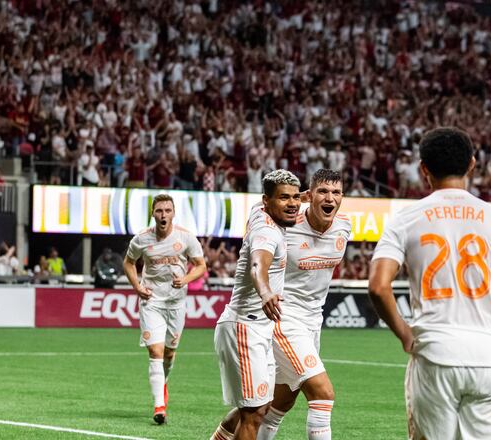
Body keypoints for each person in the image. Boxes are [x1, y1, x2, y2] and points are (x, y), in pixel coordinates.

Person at [367, 127, 491, 440]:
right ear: (472, 163)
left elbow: (378, 286)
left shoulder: (406, 218)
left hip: (435, 353)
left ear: (424, 169)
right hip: (490, 357)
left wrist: (404, 333)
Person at [212, 169, 351, 440]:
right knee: (322, 394)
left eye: (336, 193)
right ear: (309, 195)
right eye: (322, 191)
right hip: (282, 318)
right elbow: (259, 249)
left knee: (275, 403)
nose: (330, 198)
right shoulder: (282, 223)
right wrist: (265, 292)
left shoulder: (344, 226)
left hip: (312, 323)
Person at [211, 170, 301, 440]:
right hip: (244, 327)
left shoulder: (257, 212)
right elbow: (257, 266)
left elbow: (282, 201)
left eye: (296, 197)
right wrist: (265, 291)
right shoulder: (267, 232)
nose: (293, 204)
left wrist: (303, 197)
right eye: (284, 198)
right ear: (266, 201)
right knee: (252, 413)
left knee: (259, 407)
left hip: (257, 328)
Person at [123, 194, 207, 425]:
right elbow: (128, 262)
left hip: (176, 303)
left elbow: (201, 266)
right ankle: (159, 405)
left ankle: (163, 383)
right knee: (156, 351)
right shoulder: (141, 239)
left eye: (167, 210)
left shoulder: (186, 237)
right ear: (153, 213)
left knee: (169, 353)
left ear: (173, 213)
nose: (163, 215)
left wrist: (186, 279)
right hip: (151, 302)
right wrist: (137, 286)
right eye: (159, 210)